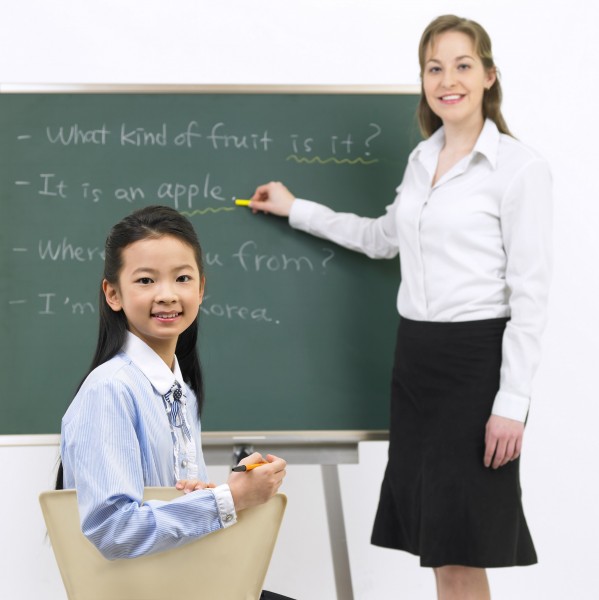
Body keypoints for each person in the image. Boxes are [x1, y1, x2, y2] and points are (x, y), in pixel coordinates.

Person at [246, 14, 552, 600]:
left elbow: (531, 294)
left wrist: (512, 404)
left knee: (462, 549)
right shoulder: (421, 159)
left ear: (489, 75)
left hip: (475, 367)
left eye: (462, 66)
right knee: (438, 547)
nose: (447, 80)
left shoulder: (520, 169)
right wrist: (296, 209)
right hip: (415, 362)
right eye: (434, 68)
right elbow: (382, 237)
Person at [57, 205, 287, 561]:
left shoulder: (183, 394)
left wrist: (199, 497)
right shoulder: (110, 390)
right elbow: (114, 531)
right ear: (113, 294)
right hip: (140, 586)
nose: (167, 294)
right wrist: (231, 497)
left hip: (182, 578)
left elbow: (161, 513)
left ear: (201, 288)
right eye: (146, 280)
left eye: (182, 278)